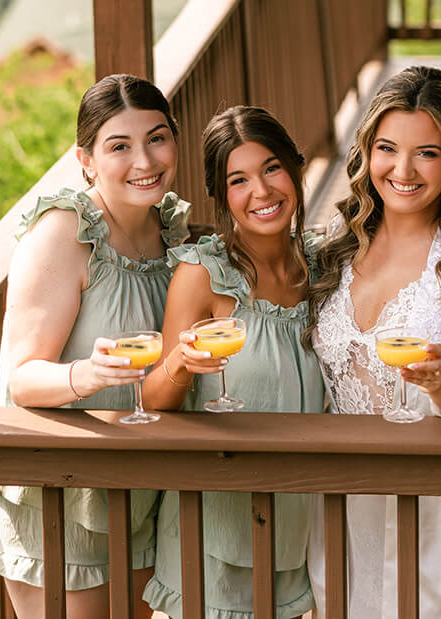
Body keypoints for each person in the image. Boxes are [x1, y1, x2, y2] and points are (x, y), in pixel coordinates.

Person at [307, 65, 441, 619]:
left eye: (426, 153)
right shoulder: (333, 247)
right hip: (343, 506)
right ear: (366, 153)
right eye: (387, 149)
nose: (402, 170)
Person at [0, 74, 187, 619]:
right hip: (61, 493)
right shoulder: (65, 232)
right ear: (86, 160)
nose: (144, 160)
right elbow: (22, 379)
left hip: (137, 488)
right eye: (119, 146)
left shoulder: (171, 232)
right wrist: (90, 374)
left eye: (157, 138)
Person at [141, 106, 325, 619]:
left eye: (271, 168)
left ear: (296, 168)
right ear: (221, 196)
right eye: (238, 180)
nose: (261, 192)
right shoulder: (203, 273)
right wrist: (181, 362)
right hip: (214, 533)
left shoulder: (324, 265)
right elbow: (154, 399)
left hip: (295, 527)